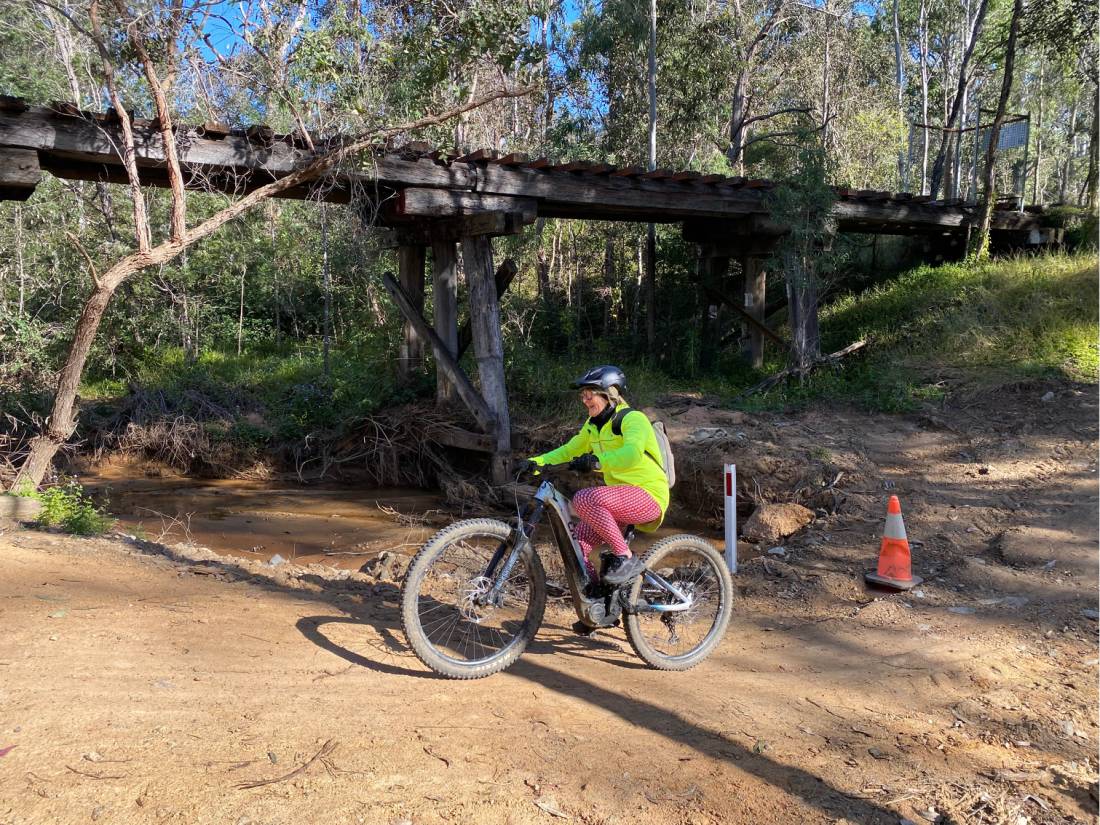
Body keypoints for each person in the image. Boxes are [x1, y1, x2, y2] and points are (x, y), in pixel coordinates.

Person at [528, 365, 669, 591]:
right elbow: (569, 450)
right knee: (576, 546)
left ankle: (625, 557)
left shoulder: (633, 419)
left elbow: (632, 454)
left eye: (589, 394)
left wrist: (596, 461)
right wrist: (535, 463)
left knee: (584, 499)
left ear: (609, 393)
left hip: (648, 495)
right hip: (618, 501)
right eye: (582, 395)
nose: (584, 400)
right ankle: (594, 601)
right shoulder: (593, 426)